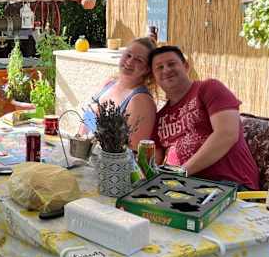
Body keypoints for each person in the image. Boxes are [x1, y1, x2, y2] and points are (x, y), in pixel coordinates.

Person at [149, 45, 259, 190]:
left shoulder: (209, 88)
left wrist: (181, 173)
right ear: (154, 77)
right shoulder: (159, 117)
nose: (166, 70)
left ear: (186, 66)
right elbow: (152, 163)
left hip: (229, 185)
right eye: (159, 67)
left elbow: (227, 134)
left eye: (171, 64)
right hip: (183, 188)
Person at [81, 37, 158, 149]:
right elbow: (84, 128)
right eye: (128, 55)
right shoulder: (108, 84)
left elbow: (133, 150)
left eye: (139, 60)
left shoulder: (142, 101)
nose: (130, 62)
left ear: (147, 69)